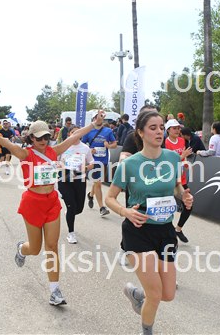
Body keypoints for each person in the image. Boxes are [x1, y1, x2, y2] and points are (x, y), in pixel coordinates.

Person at [0, 114, 98, 305]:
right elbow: (6, 143)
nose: (43, 141)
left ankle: (55, 291)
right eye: (39, 138)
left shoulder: (54, 151)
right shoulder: (25, 154)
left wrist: (93, 124)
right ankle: (22, 248)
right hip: (33, 203)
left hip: (51, 201)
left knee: (52, 246)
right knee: (35, 249)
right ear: (31, 138)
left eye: (46, 137)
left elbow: (74, 136)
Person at [105, 110, 193, 335]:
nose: (159, 132)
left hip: (165, 230)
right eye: (153, 128)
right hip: (138, 230)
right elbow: (109, 198)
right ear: (141, 133)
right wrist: (125, 211)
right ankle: (147, 329)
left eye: (161, 127)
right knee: (155, 294)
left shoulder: (172, 158)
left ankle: (138, 296)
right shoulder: (129, 164)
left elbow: (175, 186)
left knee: (167, 294)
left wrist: (183, 195)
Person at [58, 126, 94, 244]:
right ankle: (71, 233)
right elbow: (56, 160)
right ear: (69, 134)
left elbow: (92, 163)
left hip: (80, 179)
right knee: (71, 206)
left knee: (79, 209)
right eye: (73, 132)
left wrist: (86, 168)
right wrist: (62, 166)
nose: (76, 134)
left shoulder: (85, 148)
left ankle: (70, 213)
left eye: (78, 132)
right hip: (65, 179)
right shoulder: (63, 146)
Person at [164, 119, 194, 243]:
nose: (177, 130)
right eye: (174, 128)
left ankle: (178, 229)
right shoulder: (165, 143)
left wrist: (185, 162)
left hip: (181, 178)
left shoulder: (181, 140)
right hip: (169, 179)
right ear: (168, 130)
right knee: (166, 206)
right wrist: (182, 156)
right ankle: (167, 230)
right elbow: (169, 162)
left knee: (189, 205)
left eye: (178, 128)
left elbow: (183, 157)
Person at [83, 112, 117, 216]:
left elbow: (115, 144)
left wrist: (109, 146)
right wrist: (89, 150)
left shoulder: (108, 131)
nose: (99, 119)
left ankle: (91, 195)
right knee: (98, 183)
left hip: (104, 160)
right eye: (97, 117)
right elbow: (82, 145)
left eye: (101, 117)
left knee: (97, 182)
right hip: (93, 161)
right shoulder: (88, 131)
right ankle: (102, 207)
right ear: (94, 119)